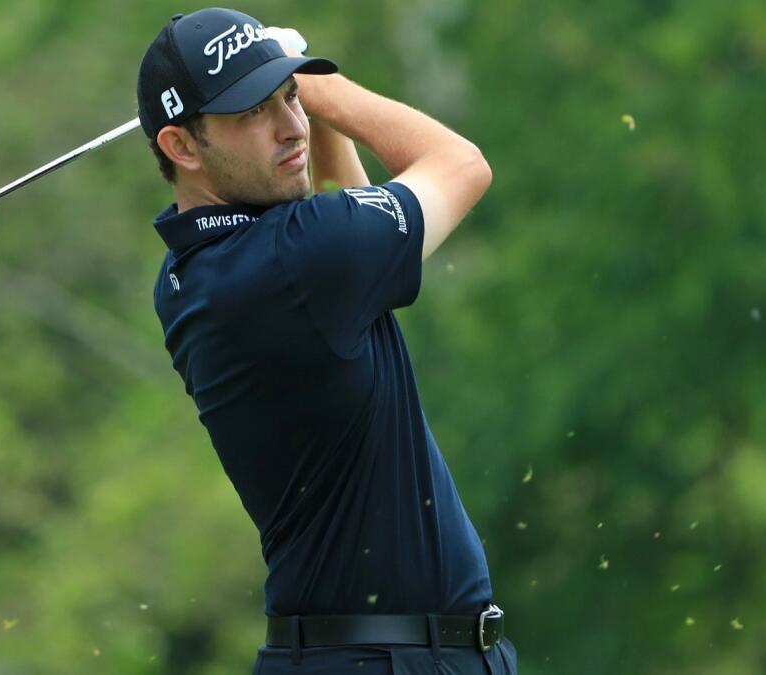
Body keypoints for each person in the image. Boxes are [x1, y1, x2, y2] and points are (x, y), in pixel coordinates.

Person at [136, 8, 514, 674]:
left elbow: (356, 226)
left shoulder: (191, 274)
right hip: (387, 657)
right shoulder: (296, 259)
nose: (292, 126)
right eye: (254, 111)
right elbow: (462, 163)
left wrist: (285, 85)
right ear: (183, 147)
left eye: (289, 97)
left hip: (360, 651)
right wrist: (320, 83)